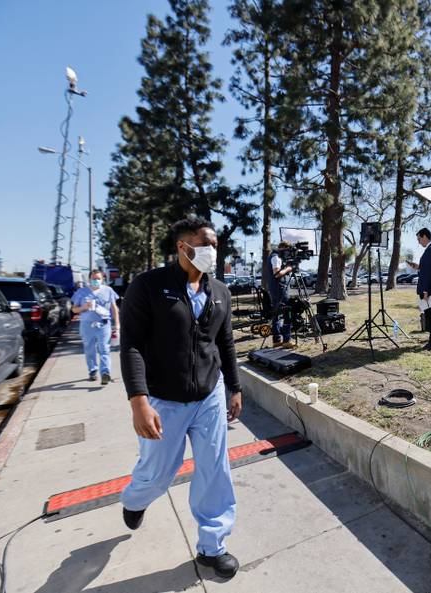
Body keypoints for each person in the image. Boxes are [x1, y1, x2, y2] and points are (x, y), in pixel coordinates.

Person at [119, 217, 243, 579]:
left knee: (215, 471)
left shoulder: (220, 291)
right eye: (206, 243)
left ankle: (212, 546)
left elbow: (226, 342)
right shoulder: (148, 286)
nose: (213, 251)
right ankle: (134, 500)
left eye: (216, 244)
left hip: (209, 397)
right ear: (183, 246)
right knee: (158, 475)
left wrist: (234, 387)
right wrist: (138, 400)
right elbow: (131, 347)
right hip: (163, 399)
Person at [70, 270, 120, 385]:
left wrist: (117, 325)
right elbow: (74, 309)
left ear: (102, 279)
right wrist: (84, 307)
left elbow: (114, 309)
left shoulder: (108, 291)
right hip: (87, 325)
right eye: (93, 278)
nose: (96, 281)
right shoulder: (81, 292)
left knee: (104, 349)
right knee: (89, 349)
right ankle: (92, 371)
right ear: (89, 279)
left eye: (98, 278)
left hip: (104, 324)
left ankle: (105, 373)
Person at [407, 228, 431, 351]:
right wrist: (418, 267)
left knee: (430, 315)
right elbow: (427, 269)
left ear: (425, 236)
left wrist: (425, 291)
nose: (418, 242)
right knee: (429, 315)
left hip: (428, 290)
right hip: (429, 288)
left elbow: (428, 274)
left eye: (419, 239)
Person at [264, 240, 295, 348]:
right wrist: (288, 268)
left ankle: (277, 340)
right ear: (283, 248)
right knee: (286, 312)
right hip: (280, 289)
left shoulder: (273, 256)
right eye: (287, 251)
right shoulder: (276, 257)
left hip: (275, 289)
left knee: (277, 314)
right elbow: (277, 274)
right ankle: (286, 340)